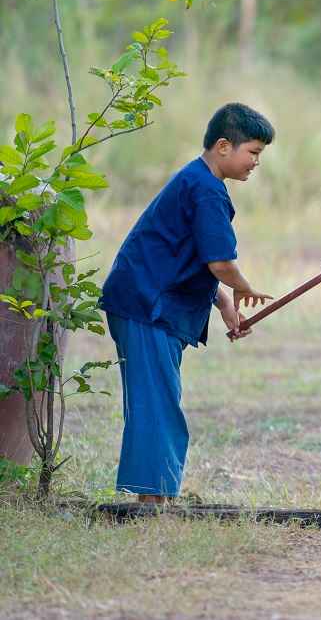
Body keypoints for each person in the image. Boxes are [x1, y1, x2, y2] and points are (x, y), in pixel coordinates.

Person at [99, 102, 275, 504]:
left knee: (158, 398)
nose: (255, 163)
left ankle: (155, 495)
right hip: (145, 305)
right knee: (157, 402)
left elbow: (186, 255)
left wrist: (226, 303)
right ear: (224, 146)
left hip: (146, 303)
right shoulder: (205, 190)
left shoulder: (198, 182)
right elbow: (218, 262)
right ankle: (153, 500)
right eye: (254, 153)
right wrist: (242, 285)